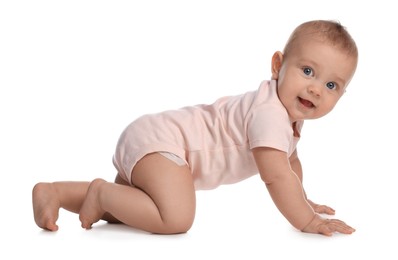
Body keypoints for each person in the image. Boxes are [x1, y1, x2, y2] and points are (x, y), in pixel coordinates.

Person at [32, 19, 358, 236]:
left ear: (341, 96)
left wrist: (303, 198)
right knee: (175, 218)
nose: (316, 89)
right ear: (278, 65)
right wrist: (305, 219)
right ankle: (101, 191)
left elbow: (291, 165)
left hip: (154, 139)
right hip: (165, 146)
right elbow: (276, 175)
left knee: (128, 211)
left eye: (331, 85)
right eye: (307, 71)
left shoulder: (285, 118)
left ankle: (56, 192)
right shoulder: (269, 114)